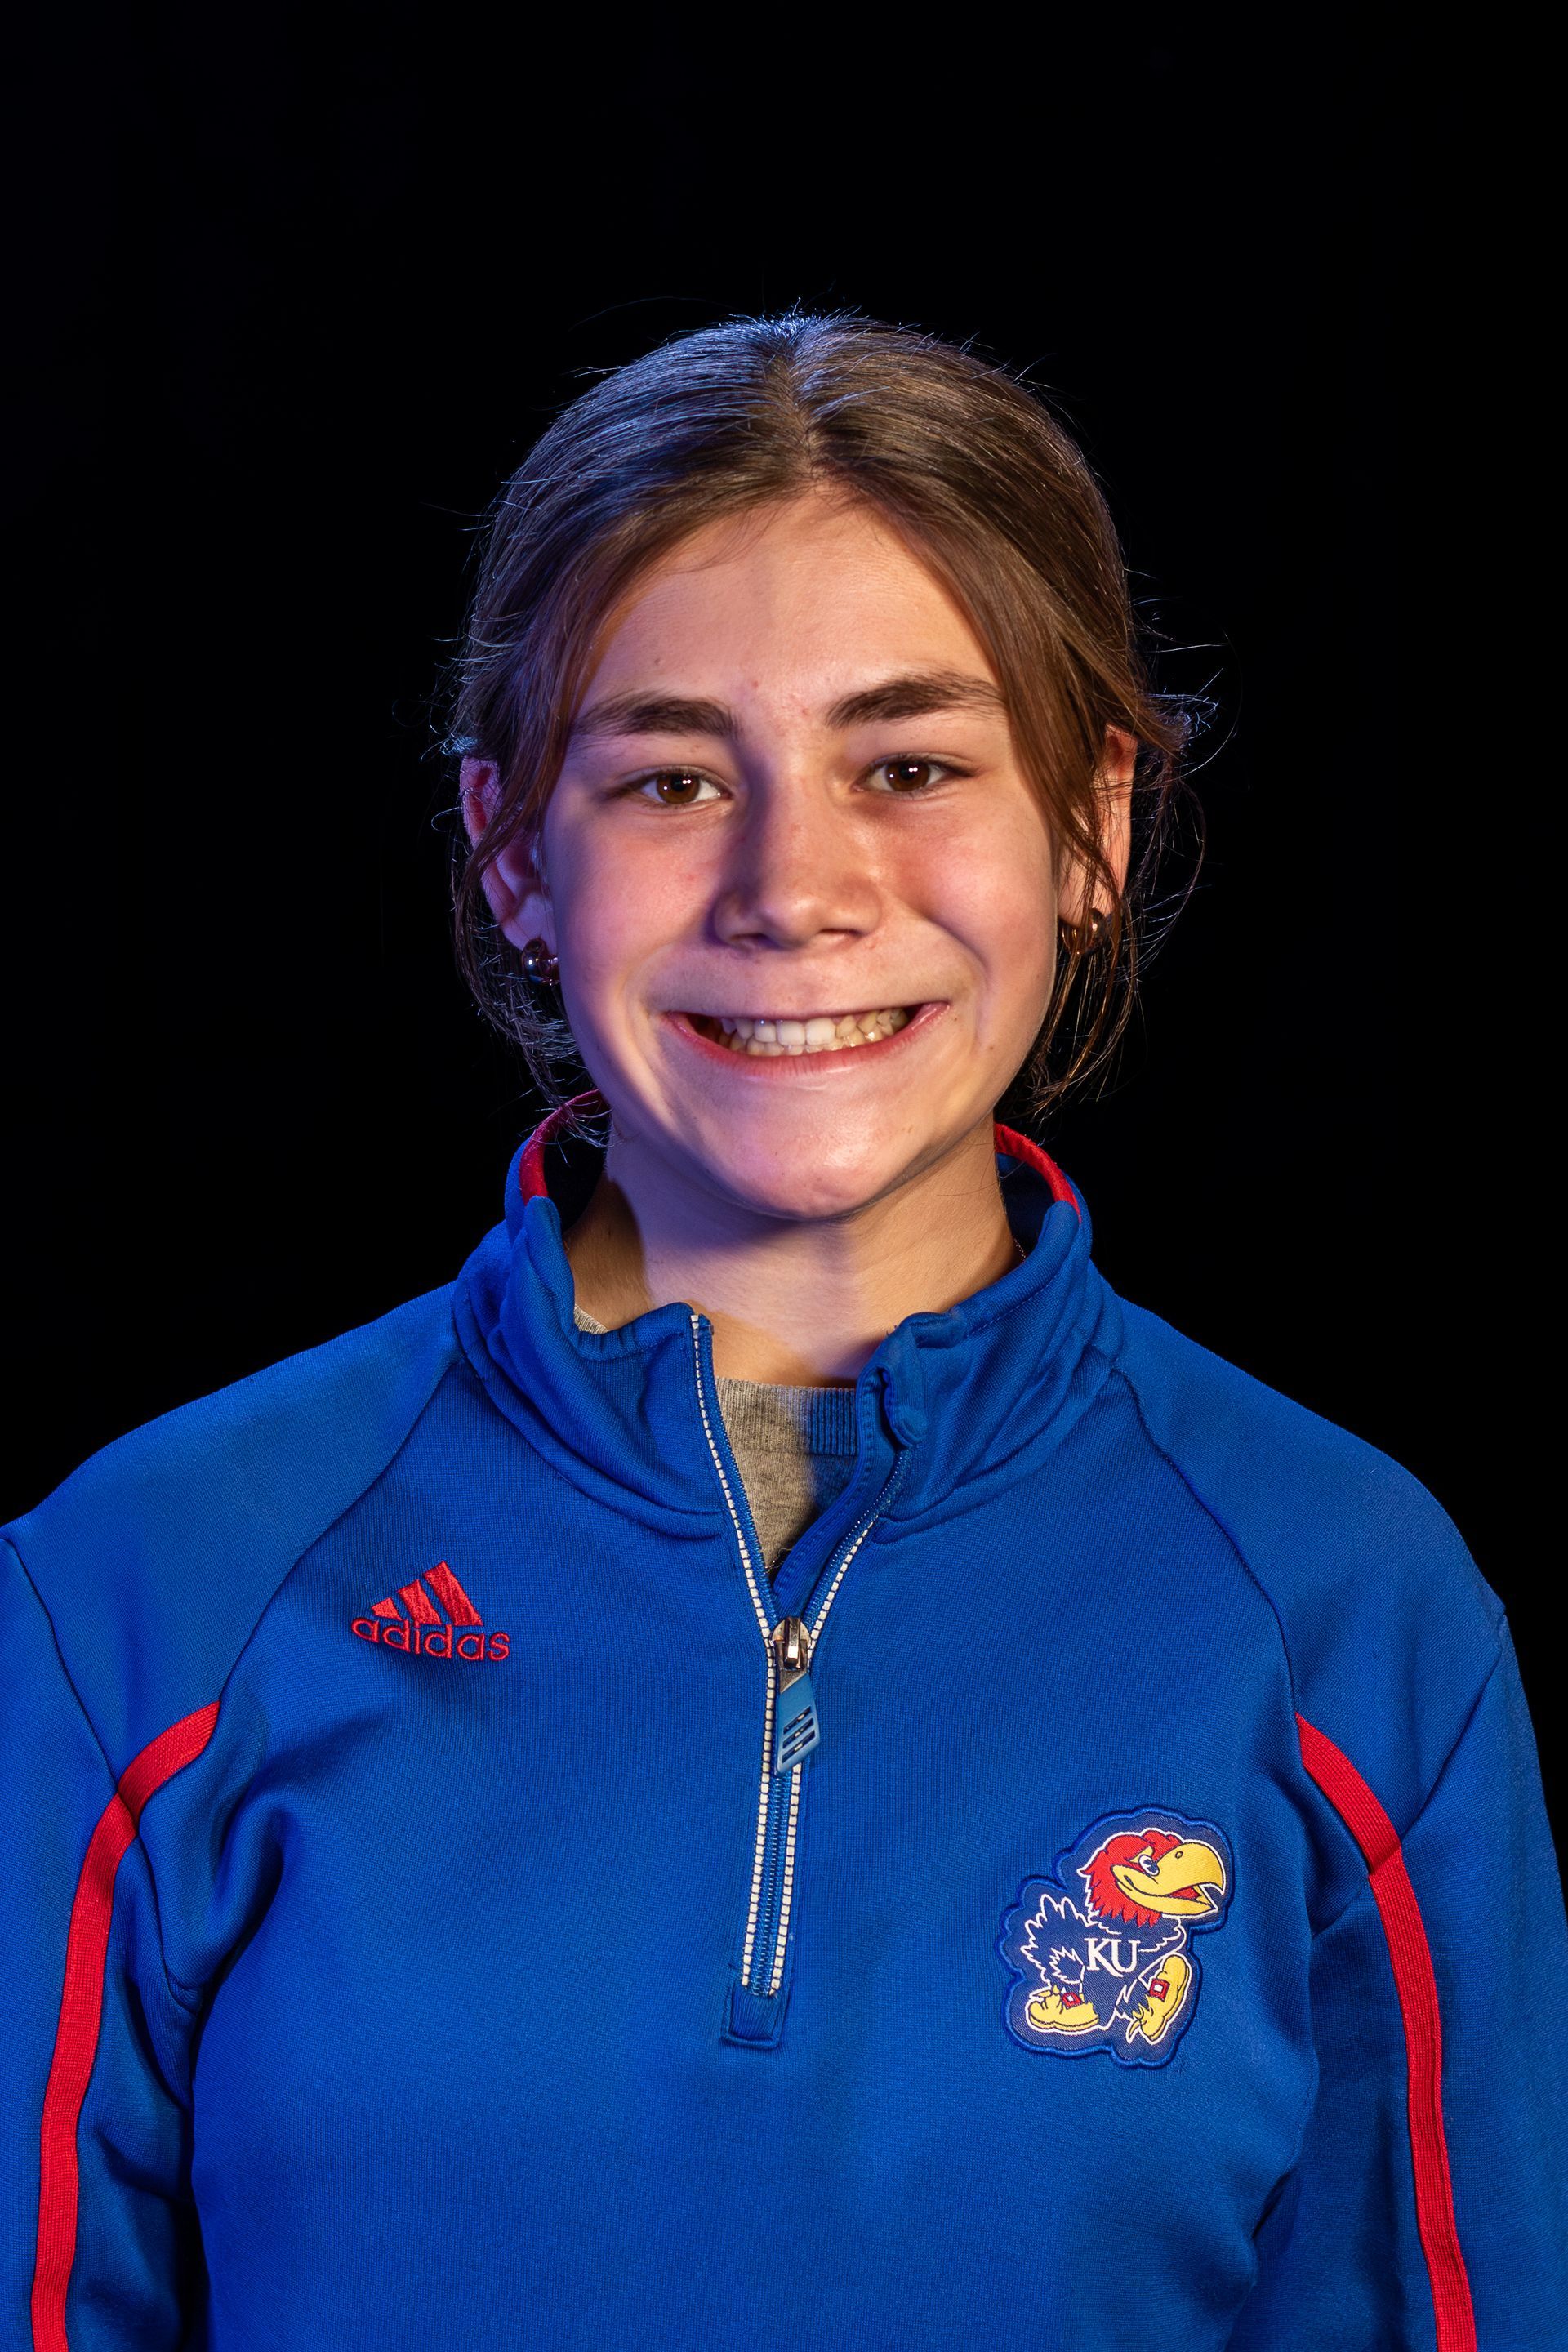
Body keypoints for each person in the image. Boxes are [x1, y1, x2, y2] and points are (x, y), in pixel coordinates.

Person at [4, 314, 1561, 2352]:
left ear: (1091, 827)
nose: (794, 888)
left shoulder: (1349, 1609)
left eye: (909, 766)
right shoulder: (144, 1586)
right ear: (512, 851)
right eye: (671, 778)